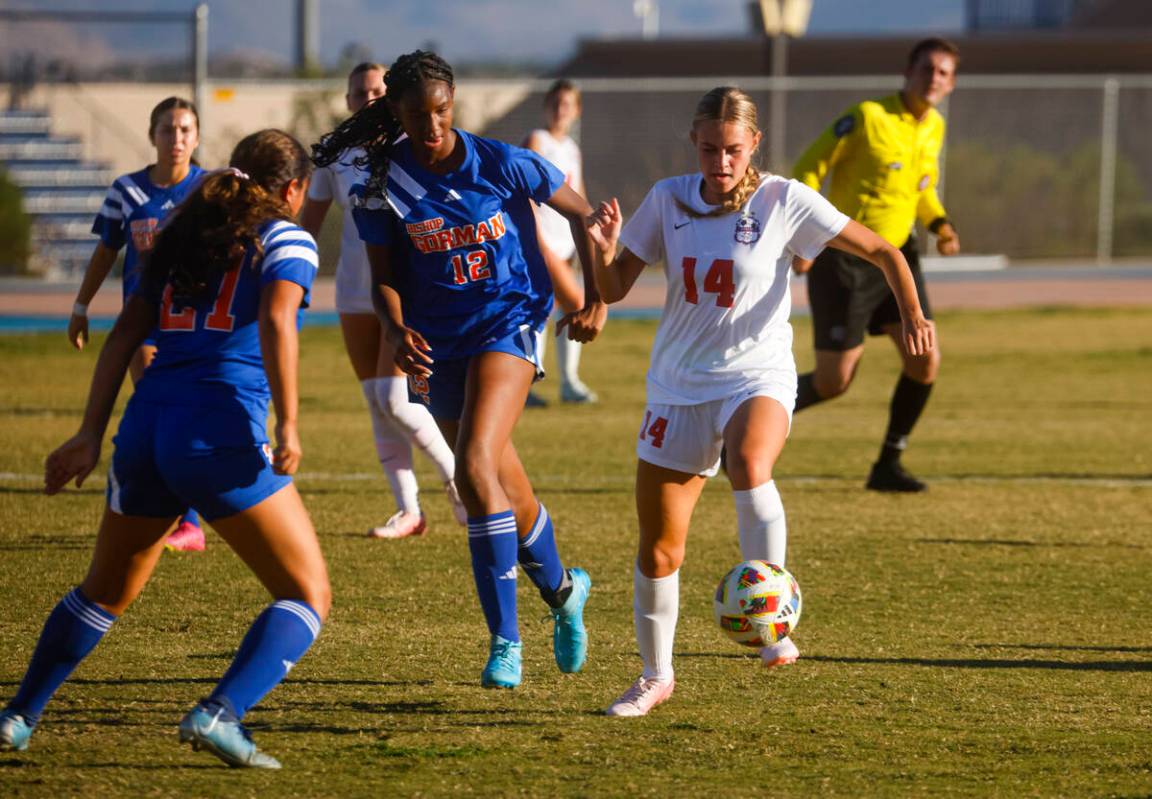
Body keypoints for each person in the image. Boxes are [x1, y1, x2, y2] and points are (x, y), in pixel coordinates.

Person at [587, 87, 934, 717]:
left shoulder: (782, 198)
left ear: (755, 146)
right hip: (677, 385)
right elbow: (610, 288)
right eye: (710, 148)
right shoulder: (667, 199)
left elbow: (884, 250)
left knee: (750, 464)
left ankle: (772, 620)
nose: (720, 161)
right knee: (659, 547)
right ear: (693, 142)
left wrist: (912, 313)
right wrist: (602, 248)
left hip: (758, 375)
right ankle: (655, 675)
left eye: (733, 150)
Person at [0, 130, 330, 769]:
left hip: (145, 427)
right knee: (307, 594)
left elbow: (124, 334)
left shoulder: (182, 231)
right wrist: (289, 421)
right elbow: (281, 321)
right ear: (292, 189)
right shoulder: (286, 236)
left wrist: (89, 433)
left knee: (102, 592)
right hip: (218, 432)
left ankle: (18, 716)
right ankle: (220, 713)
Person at [312, 50, 606, 689]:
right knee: (501, 483)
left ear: (454, 105)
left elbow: (582, 214)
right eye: (418, 115)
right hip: (436, 342)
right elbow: (383, 282)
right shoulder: (381, 184)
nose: (433, 125)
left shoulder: (501, 161)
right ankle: (562, 592)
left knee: (473, 465)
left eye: (441, 111)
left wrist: (594, 300)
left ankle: (505, 642)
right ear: (395, 112)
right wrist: (394, 329)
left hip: (509, 324)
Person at [301, 61, 463, 538]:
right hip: (355, 290)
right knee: (376, 400)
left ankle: (459, 481)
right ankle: (408, 510)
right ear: (349, 100)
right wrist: (288, 280)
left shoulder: (413, 147)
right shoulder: (335, 157)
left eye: (377, 90)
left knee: (396, 397)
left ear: (392, 99)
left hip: (403, 289)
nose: (368, 98)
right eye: (359, 92)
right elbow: (307, 226)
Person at [791, 37, 960, 493]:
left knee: (925, 361)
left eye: (943, 72)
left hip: (899, 259)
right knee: (833, 383)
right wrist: (805, 234)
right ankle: (740, 432)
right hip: (845, 261)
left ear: (951, 83)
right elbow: (809, 167)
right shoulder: (868, 117)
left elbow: (921, 190)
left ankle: (888, 463)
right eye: (927, 68)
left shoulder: (935, 127)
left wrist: (940, 225)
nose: (934, 78)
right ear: (908, 71)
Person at [68, 96, 208, 550]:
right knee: (162, 408)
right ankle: (185, 521)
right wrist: (81, 307)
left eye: (186, 130)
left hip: (196, 326)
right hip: (145, 325)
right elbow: (106, 251)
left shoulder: (209, 190)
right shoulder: (126, 191)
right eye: (168, 129)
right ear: (152, 136)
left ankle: (185, 516)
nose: (177, 138)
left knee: (183, 414)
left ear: (197, 137)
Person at [522, 78, 598, 405]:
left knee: (558, 309)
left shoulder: (571, 149)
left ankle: (564, 382)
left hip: (566, 243)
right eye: (555, 103)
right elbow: (524, 191)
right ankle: (533, 383)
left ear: (577, 111)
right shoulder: (536, 141)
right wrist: (537, 238)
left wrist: (591, 232)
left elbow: (578, 196)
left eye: (567, 104)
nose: (560, 110)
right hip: (544, 243)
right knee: (568, 305)